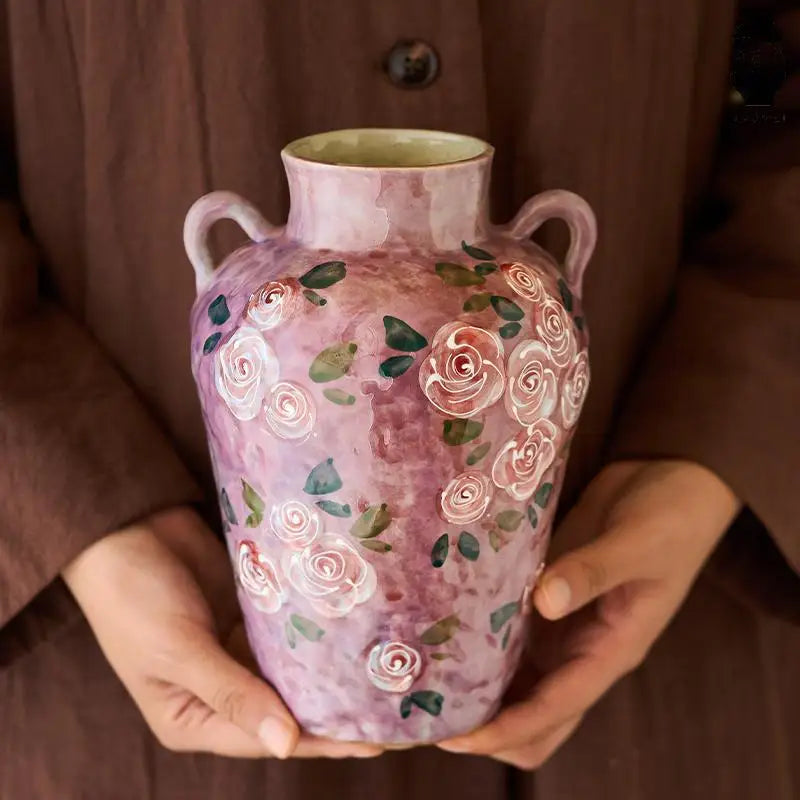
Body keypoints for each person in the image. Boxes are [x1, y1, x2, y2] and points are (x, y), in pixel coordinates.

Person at [1, 2, 798, 798]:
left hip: (669, 643)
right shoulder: (248, 285)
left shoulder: (530, 279)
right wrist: (70, 498)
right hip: (119, 664)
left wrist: (727, 421)